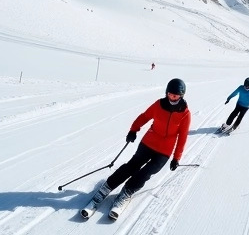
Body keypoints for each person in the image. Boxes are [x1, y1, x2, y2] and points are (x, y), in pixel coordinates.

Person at [82, 78, 191, 219]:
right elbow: (145, 116)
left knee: (146, 172)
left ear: (181, 96)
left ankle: (127, 192)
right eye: (170, 94)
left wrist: (177, 158)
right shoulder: (159, 104)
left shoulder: (185, 114)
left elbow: (182, 137)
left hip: (164, 150)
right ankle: (106, 188)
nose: (172, 97)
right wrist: (133, 129)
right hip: (149, 142)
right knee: (132, 166)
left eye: (175, 95)